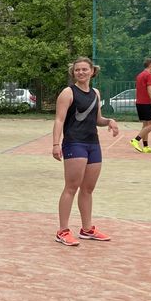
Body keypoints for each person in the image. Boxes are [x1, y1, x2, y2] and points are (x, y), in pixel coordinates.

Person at [51, 56, 119, 246]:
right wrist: (56, 144)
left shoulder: (95, 93)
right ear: (73, 73)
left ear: (92, 71)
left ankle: (87, 229)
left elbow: (97, 119)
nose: (80, 72)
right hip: (74, 143)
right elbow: (59, 120)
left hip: (93, 144)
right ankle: (63, 231)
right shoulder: (68, 93)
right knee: (71, 187)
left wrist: (109, 121)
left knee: (88, 189)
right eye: (77, 70)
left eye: (84, 69)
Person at [130, 58, 151, 153]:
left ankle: (146, 147)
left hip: (139, 103)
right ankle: (135, 140)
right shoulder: (149, 75)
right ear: (150, 65)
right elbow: (150, 90)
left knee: (146, 124)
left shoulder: (139, 75)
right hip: (146, 103)